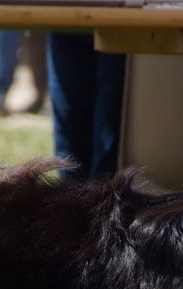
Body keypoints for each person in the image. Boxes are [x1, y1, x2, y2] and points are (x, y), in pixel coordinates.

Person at [46, 32, 126, 180]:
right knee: (69, 138)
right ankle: (70, 191)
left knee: (109, 127)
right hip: (66, 26)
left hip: (119, 29)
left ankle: (102, 191)